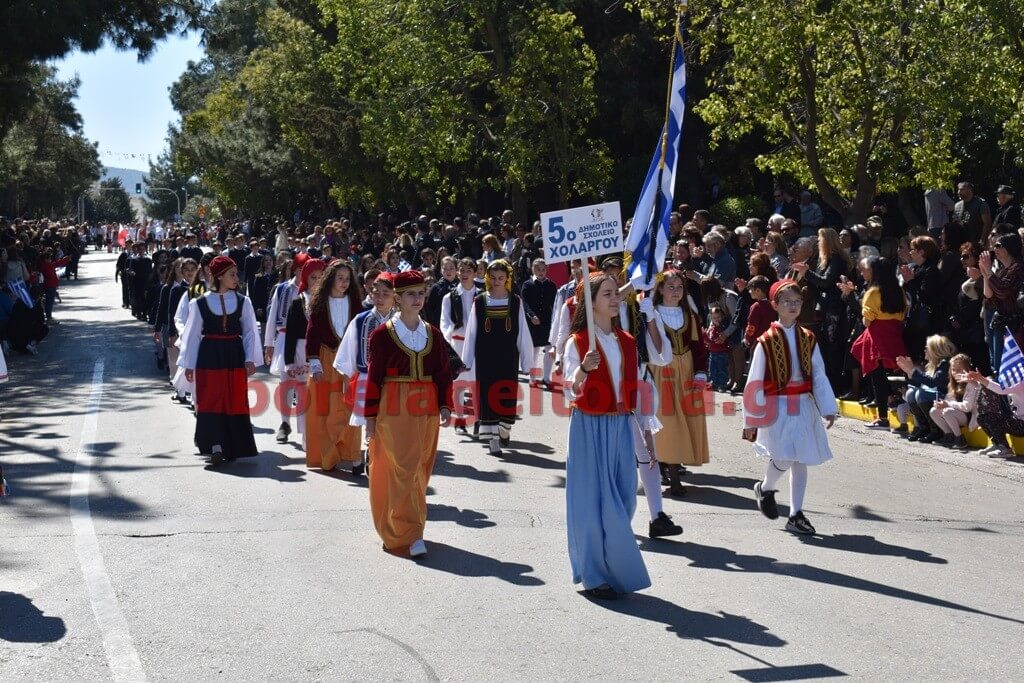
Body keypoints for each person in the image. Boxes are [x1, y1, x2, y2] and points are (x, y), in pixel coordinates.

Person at [562, 273, 651, 599]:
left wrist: (645, 428)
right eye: (608, 294)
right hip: (589, 424)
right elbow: (568, 388)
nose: (615, 299)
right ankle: (594, 574)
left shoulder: (626, 340)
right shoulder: (578, 342)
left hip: (620, 425)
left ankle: (611, 564)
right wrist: (583, 369)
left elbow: (637, 385)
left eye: (616, 293)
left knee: (625, 496)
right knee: (590, 500)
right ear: (591, 302)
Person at [365, 270, 453, 558]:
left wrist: (445, 403)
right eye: (411, 294)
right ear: (398, 299)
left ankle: (407, 526)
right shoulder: (382, 335)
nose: (418, 299)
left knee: (420, 468)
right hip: (394, 407)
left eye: (421, 293)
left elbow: (442, 372)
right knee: (402, 467)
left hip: (427, 406)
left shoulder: (433, 334)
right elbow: (374, 378)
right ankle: (411, 533)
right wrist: (370, 418)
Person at [746, 279, 838, 536]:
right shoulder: (766, 341)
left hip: (803, 404)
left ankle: (796, 514)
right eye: (786, 301)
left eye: (797, 301)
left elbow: (818, 374)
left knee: (801, 459)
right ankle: (766, 488)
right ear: (775, 305)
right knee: (785, 456)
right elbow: (754, 381)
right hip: (778, 405)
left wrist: (828, 407)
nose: (792, 305)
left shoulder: (808, 337)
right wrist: (751, 419)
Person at [178, 256, 261, 465]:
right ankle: (215, 445)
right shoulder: (200, 302)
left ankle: (233, 444)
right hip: (210, 354)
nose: (237, 278)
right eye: (232, 274)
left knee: (234, 398)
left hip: (234, 354)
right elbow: (192, 335)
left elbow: (250, 332)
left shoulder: (243, 301)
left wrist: (250, 358)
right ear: (220, 276)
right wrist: (189, 365)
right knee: (211, 397)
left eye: (236, 274)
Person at [643, 269, 710, 498]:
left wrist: (700, 372)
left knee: (685, 419)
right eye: (670, 287)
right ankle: (673, 476)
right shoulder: (651, 313)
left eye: (679, 287)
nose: (675, 291)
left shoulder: (689, 315)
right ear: (660, 289)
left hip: (686, 370)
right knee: (668, 420)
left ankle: (669, 464)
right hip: (662, 371)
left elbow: (698, 346)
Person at [459, 260, 532, 455]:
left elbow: (523, 333)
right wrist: (466, 361)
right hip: (486, 358)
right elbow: (472, 332)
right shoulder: (479, 301)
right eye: (493, 278)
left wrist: (527, 362)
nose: (497, 281)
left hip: (508, 358)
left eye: (501, 278)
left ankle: (504, 429)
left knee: (507, 396)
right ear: (487, 278)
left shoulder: (515, 301)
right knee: (488, 397)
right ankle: (493, 442)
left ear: (507, 278)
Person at [305, 260, 364, 473]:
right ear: (330, 279)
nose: (344, 282)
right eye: (340, 278)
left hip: (349, 362)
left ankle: (354, 456)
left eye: (347, 279)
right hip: (326, 360)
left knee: (350, 407)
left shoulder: (355, 303)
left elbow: (361, 333)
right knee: (326, 410)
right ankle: (329, 456)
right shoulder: (320, 303)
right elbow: (312, 334)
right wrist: (315, 364)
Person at [334, 271, 395, 449]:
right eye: (376, 293)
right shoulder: (360, 320)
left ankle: (383, 453)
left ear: (395, 296)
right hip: (366, 379)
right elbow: (348, 352)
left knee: (391, 419)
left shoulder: (402, 321)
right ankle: (370, 451)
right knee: (369, 420)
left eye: (386, 294)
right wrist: (347, 383)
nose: (380, 298)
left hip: (395, 381)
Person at [850, 257, 908, 429]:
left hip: (876, 336)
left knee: (877, 376)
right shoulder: (899, 291)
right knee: (897, 373)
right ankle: (899, 404)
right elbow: (903, 315)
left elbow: (867, 321)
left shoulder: (873, 292)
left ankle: (882, 418)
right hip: (895, 334)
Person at [265, 253, 306, 443]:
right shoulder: (282, 289)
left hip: (305, 341)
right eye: (301, 269)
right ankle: (285, 423)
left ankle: (306, 428)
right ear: (294, 270)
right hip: (283, 338)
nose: (303, 273)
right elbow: (272, 315)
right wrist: (269, 344)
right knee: (286, 382)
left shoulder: (314, 291)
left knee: (305, 384)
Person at [440, 258, 481, 435]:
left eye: (468, 271)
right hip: (457, 343)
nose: (464, 274)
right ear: (457, 272)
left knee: (476, 383)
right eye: (462, 271)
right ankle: (460, 420)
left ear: (475, 273)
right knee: (458, 384)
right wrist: (449, 339)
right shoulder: (449, 297)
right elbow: (444, 322)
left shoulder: (482, 295)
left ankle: (478, 420)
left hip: (476, 344)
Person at [893, 335, 956, 443]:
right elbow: (923, 383)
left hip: (947, 397)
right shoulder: (933, 364)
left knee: (921, 394)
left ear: (935, 349)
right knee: (911, 393)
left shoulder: (945, 363)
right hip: (937, 395)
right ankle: (924, 428)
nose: (925, 350)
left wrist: (913, 371)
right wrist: (909, 372)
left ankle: (935, 430)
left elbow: (933, 382)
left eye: (927, 348)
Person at [519, 259, 557, 389]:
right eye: (538, 269)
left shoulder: (551, 285)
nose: (541, 272)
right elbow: (524, 303)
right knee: (533, 351)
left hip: (547, 321)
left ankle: (546, 378)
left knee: (549, 349)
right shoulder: (527, 284)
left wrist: (555, 319)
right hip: (532, 322)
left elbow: (555, 304)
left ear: (547, 270)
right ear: (533, 269)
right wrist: (531, 315)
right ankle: (532, 377)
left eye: (543, 269)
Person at [930, 353, 978, 449]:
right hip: (956, 414)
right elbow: (948, 401)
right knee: (934, 411)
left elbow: (967, 407)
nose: (955, 373)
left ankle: (960, 439)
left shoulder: (972, 384)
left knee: (947, 412)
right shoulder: (952, 384)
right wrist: (941, 404)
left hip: (970, 416)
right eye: (953, 370)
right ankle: (949, 435)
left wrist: (947, 404)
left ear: (967, 370)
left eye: (959, 370)